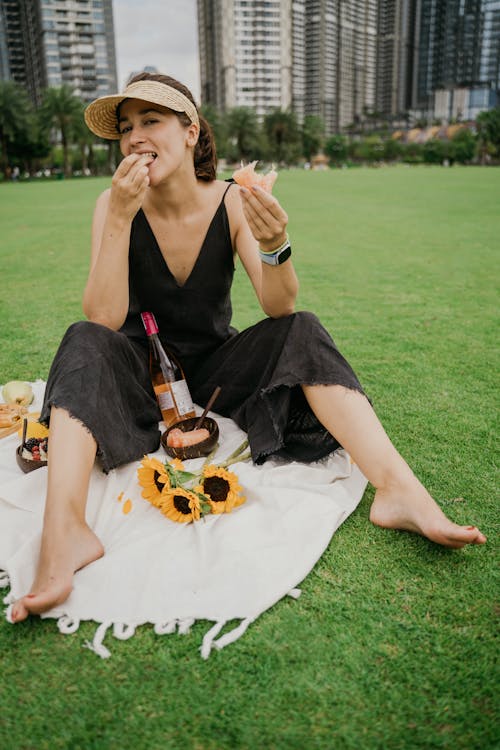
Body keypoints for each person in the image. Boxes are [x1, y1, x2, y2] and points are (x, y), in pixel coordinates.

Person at [11, 73, 486, 624]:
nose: (135, 137)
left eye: (151, 121)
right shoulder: (111, 205)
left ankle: (400, 491)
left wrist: (274, 245)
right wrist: (119, 217)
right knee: (83, 336)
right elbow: (104, 316)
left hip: (217, 373)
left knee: (302, 327)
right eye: (126, 128)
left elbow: (278, 308)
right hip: (138, 376)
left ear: (190, 132)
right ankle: (66, 531)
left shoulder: (232, 201)